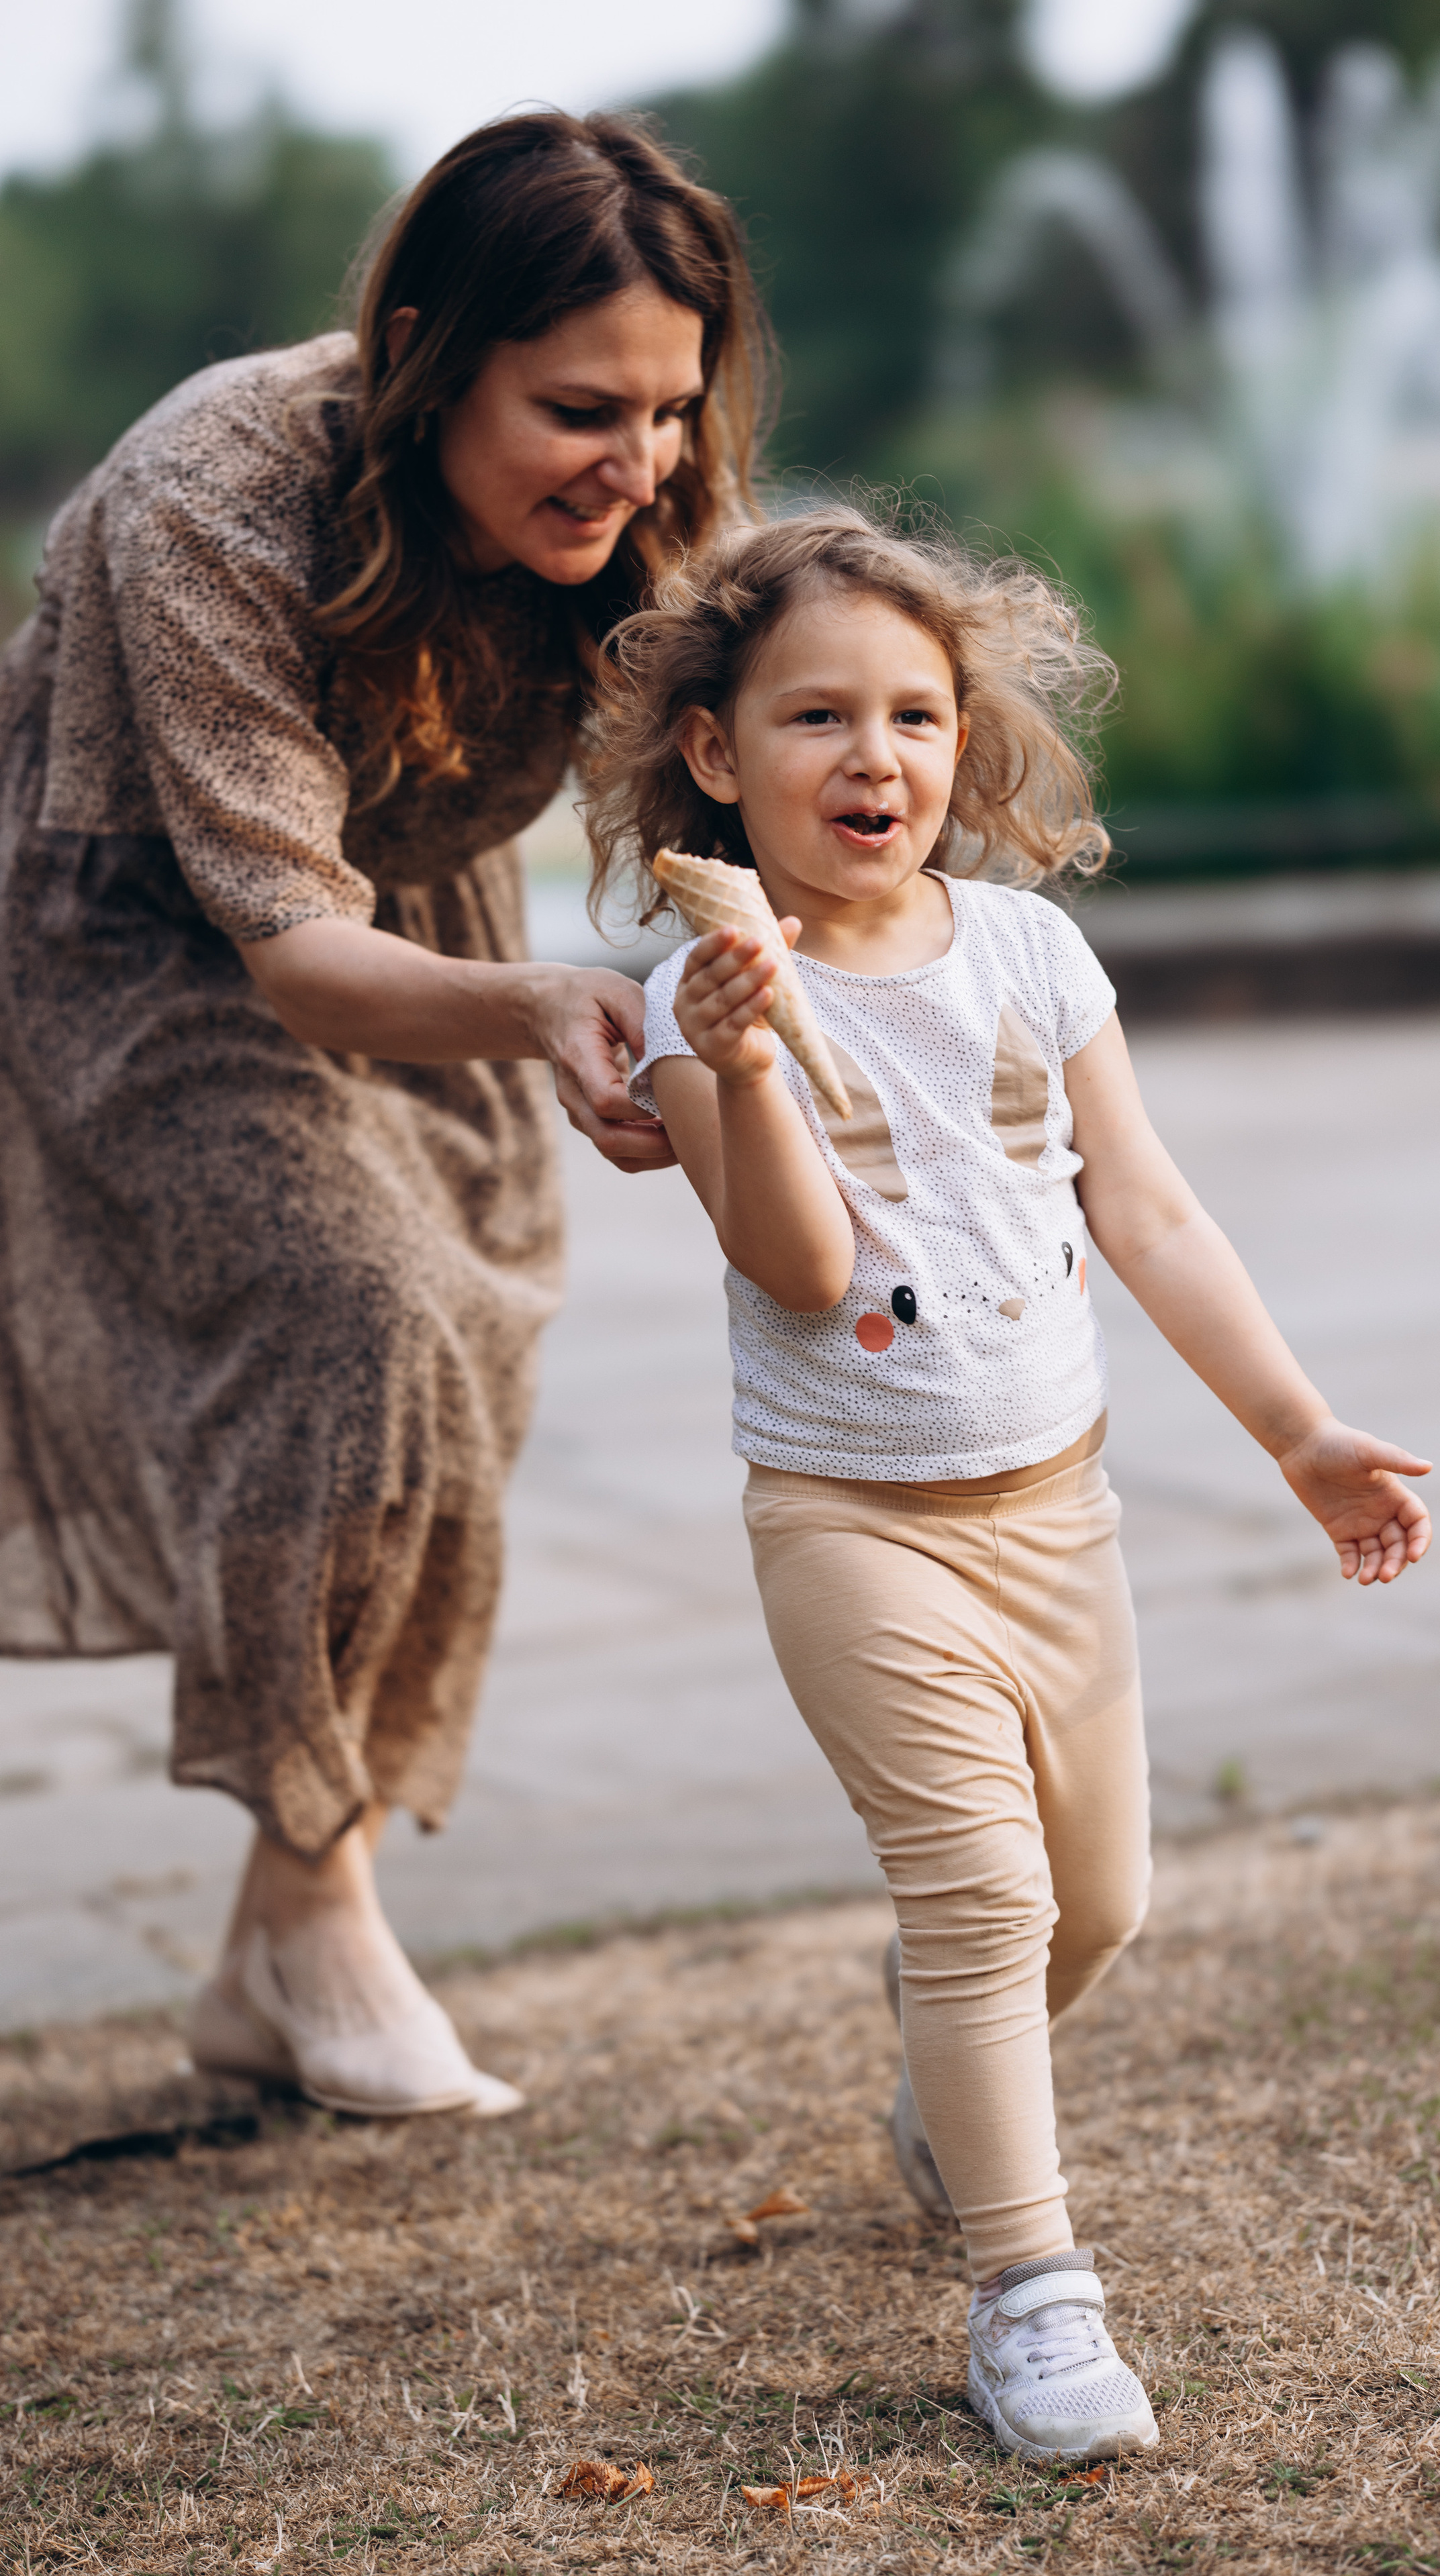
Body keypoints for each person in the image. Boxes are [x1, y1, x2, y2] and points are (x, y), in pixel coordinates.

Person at [586, 503, 1433, 2463]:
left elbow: (1149, 1210)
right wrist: (743, 1067)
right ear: (716, 750)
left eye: (914, 714)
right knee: (980, 1896)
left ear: (963, 743)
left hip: (1061, 1515)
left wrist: (1299, 1432)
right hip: (853, 1524)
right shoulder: (701, 1000)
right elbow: (800, 1265)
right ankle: (1031, 2295)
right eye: (814, 716)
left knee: (1097, 1905)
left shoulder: (1033, 954)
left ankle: (948, 2091)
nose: (871, 755)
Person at [0, 113, 769, 2118]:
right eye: (579, 410)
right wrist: (547, 1005)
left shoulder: (651, 500)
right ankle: (323, 1910)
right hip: (149, 928)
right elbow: (290, 945)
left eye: (670, 410)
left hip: (418, 912)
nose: (640, 462)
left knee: (459, 1372)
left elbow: (754, 751)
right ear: (424, 354)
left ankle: (274, 1941)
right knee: (354, 1319)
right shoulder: (215, 491)